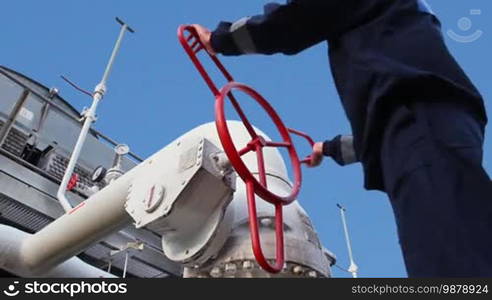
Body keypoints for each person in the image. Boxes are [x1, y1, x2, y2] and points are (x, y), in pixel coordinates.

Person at [191, 0, 492, 277]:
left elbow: (298, 19)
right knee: (460, 239)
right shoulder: (400, 28)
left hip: (419, 120)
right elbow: (388, 133)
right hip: (433, 125)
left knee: (447, 255)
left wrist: (219, 40)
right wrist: (331, 149)